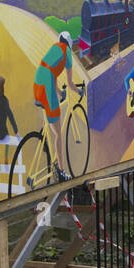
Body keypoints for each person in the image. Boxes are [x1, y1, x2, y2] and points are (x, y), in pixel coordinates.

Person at [34, 32, 75, 178]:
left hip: (38, 81)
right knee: (58, 133)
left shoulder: (54, 48)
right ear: (69, 44)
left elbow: (52, 73)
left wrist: (59, 92)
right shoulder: (67, 53)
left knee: (50, 117)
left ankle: (44, 139)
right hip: (47, 86)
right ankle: (61, 171)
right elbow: (70, 83)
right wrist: (79, 90)